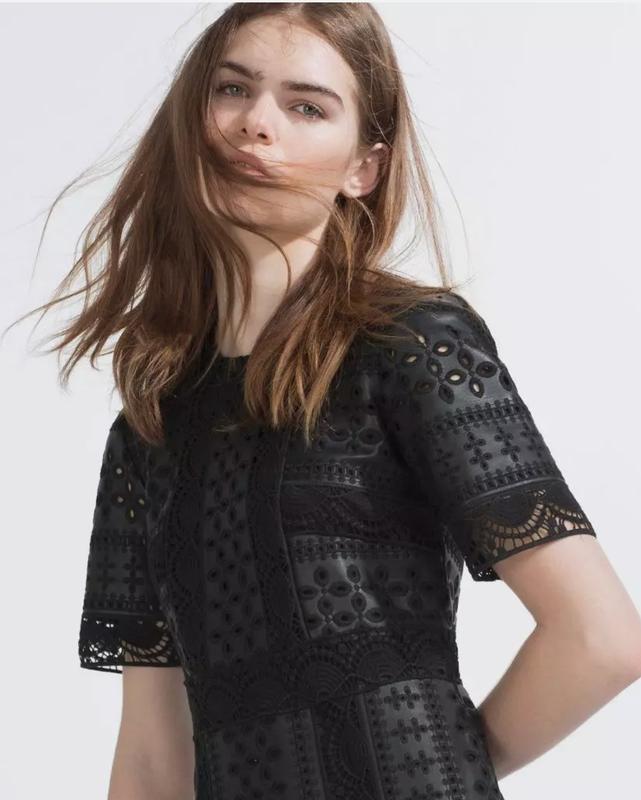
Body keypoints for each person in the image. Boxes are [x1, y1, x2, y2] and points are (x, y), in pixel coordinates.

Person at [15, 3, 641, 799]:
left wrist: (434, 774)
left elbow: (600, 638)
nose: (256, 124)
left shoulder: (411, 344)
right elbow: (148, 754)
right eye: (231, 89)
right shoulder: (151, 421)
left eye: (306, 106)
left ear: (363, 169)